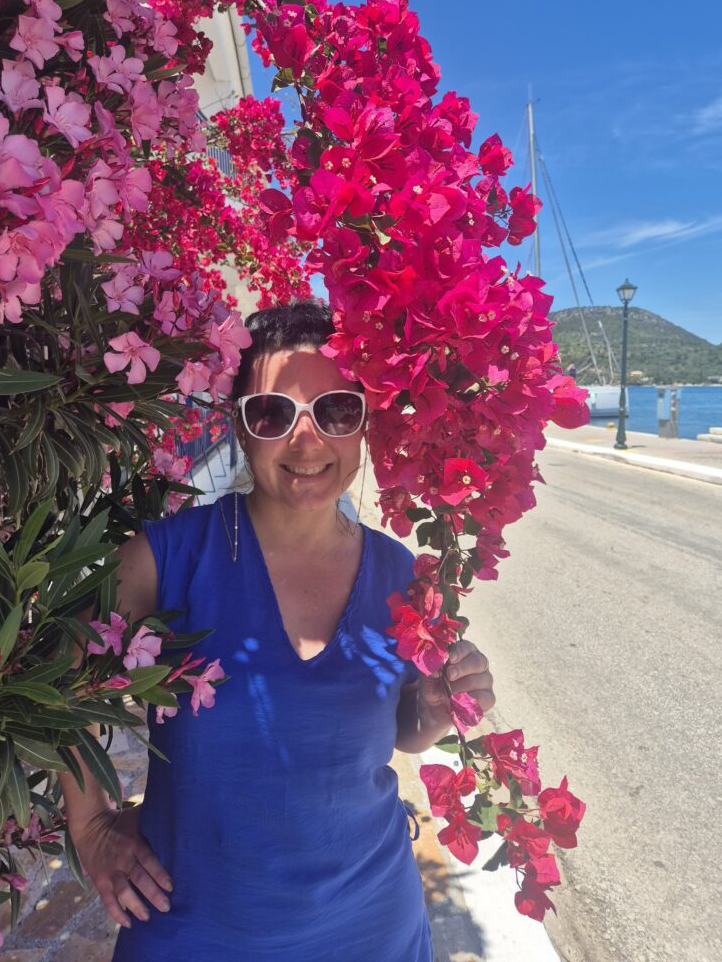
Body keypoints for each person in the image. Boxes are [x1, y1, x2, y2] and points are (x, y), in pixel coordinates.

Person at [60, 300, 496, 962]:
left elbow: (401, 733)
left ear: (362, 423)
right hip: (196, 934)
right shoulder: (167, 559)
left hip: (373, 928)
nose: (307, 440)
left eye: (336, 410)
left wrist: (432, 710)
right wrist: (90, 826)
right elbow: (59, 674)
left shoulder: (400, 571)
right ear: (239, 427)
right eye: (273, 414)